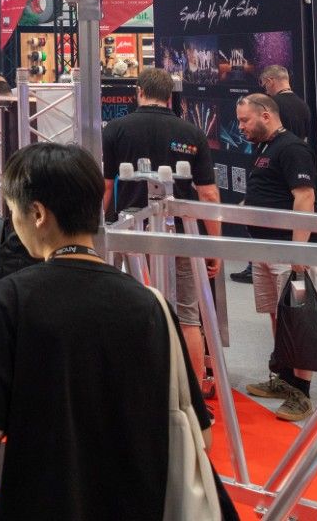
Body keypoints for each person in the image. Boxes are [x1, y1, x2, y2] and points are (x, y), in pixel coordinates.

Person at [0, 142, 213, 521]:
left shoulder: (10, 299)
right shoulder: (150, 304)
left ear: (37, 213)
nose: (12, 223)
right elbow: (202, 434)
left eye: (13, 211)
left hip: (40, 503)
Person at [101, 67, 223, 390]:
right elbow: (208, 193)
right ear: (170, 96)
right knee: (187, 316)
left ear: (139, 92)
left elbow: (106, 189)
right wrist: (215, 243)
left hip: (132, 236)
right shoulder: (192, 133)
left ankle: (136, 391)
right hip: (181, 236)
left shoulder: (115, 130)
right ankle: (195, 399)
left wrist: (98, 232)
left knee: (131, 309)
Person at [235, 92, 317, 421]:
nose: (240, 126)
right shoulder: (266, 147)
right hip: (265, 250)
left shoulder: (293, 148)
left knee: (299, 321)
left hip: (288, 251)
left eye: (245, 120)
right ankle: (284, 381)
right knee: (276, 315)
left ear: (266, 115)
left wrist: (299, 249)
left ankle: (302, 393)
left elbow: (305, 197)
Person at [259, 66, 311, 142]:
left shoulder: (270, 104)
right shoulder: (304, 105)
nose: (266, 91)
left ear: (270, 82)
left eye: (264, 86)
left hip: (278, 152)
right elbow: (305, 138)